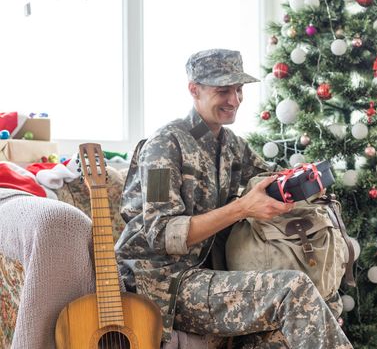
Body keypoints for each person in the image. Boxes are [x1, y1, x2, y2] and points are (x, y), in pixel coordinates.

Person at [115, 48, 353, 349]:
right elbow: (161, 235)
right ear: (194, 89)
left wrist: (303, 179)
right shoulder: (163, 147)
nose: (234, 100)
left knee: (320, 294)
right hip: (164, 283)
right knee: (292, 289)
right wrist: (242, 207)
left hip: (212, 271)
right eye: (223, 90)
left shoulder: (232, 146)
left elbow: (269, 181)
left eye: (239, 90)